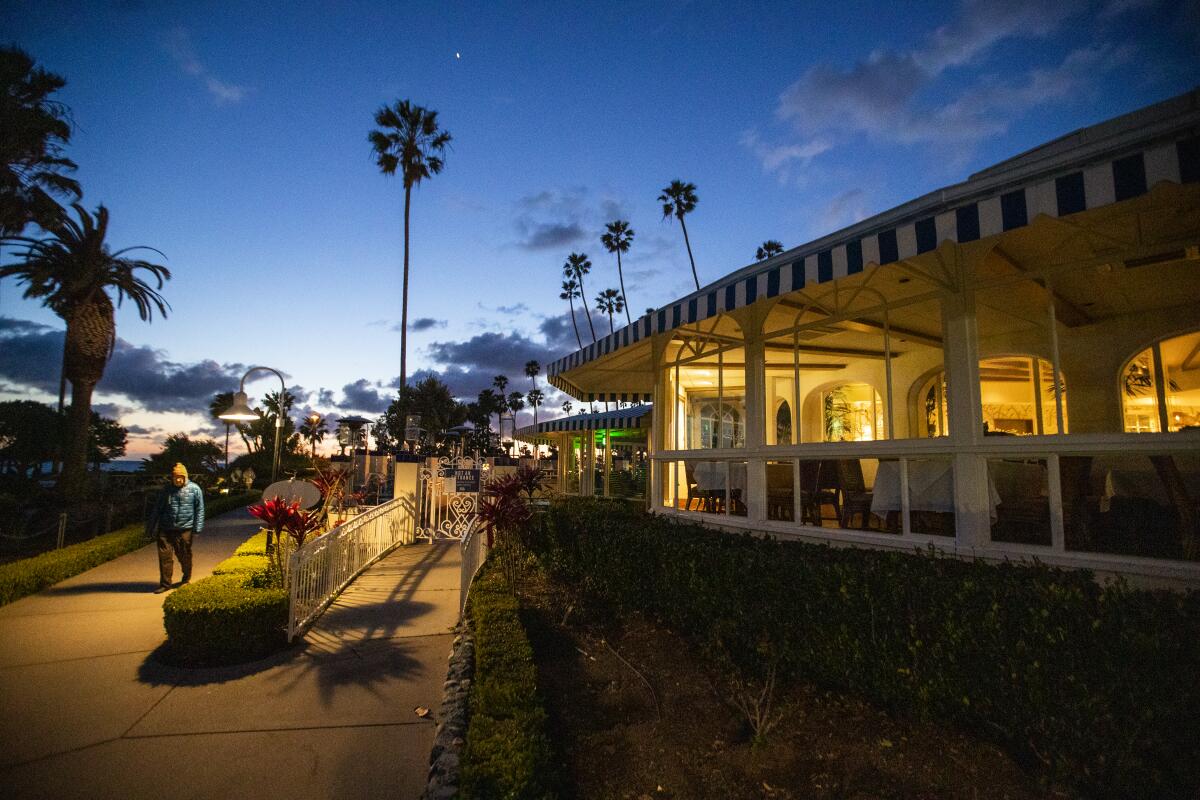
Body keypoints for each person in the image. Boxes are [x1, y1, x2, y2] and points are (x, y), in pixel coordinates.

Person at [150, 463, 204, 593]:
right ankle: (165, 583)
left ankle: (186, 578)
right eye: (176, 477)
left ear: (185, 477)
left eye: (181, 477)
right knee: (165, 557)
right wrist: (150, 528)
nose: (178, 480)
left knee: (184, 555)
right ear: (172, 478)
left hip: (185, 528)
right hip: (166, 528)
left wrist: (197, 529)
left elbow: (200, 509)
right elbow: (157, 508)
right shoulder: (166, 490)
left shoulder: (195, 489)